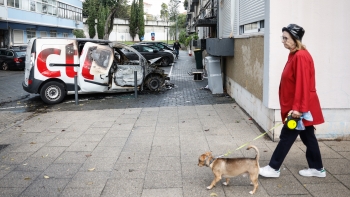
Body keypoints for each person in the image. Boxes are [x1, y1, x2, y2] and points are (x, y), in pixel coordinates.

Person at [259, 24, 326, 178]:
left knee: (286, 136)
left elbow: (303, 84)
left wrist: (298, 109)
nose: (283, 41)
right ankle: (317, 168)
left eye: (286, 38)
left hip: (299, 109)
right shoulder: (295, 54)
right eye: (282, 37)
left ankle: (273, 168)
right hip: (300, 106)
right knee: (308, 136)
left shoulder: (300, 56)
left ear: (295, 39)